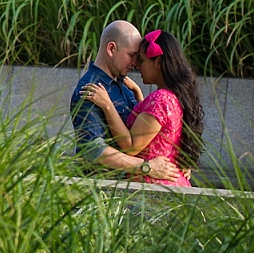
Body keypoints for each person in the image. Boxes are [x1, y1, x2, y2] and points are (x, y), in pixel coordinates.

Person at [80, 29, 204, 186]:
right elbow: (155, 130)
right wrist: (139, 95)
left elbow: (131, 147)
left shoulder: (161, 98)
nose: (137, 66)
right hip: (171, 182)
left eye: (141, 60)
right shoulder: (174, 96)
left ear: (158, 63)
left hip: (154, 187)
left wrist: (107, 105)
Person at [71, 21, 180, 181]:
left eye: (138, 58)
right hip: (102, 191)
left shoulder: (126, 87)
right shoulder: (91, 89)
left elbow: (143, 133)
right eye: (131, 56)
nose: (135, 63)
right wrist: (146, 167)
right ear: (111, 49)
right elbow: (93, 149)